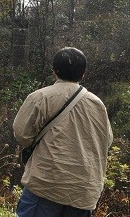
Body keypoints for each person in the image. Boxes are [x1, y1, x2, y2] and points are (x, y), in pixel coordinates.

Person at [13, 47, 113, 216]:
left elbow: (22, 135)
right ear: (83, 73)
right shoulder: (97, 104)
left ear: (55, 71)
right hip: (83, 192)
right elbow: (107, 141)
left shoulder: (41, 97)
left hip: (46, 186)